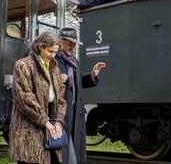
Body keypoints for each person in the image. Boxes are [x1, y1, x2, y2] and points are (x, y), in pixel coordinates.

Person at [9, 31, 67, 164]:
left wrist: (58, 122)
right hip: (28, 129)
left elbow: (61, 100)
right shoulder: (23, 65)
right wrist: (45, 122)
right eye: (50, 51)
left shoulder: (54, 69)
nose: (53, 56)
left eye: (55, 53)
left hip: (51, 128)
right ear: (41, 47)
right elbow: (24, 98)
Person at [56, 27, 106, 164]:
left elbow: (78, 82)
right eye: (70, 42)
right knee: (63, 153)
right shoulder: (53, 60)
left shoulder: (74, 62)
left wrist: (92, 75)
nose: (73, 46)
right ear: (60, 41)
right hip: (61, 113)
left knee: (73, 153)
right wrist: (56, 80)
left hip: (75, 112)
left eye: (74, 43)